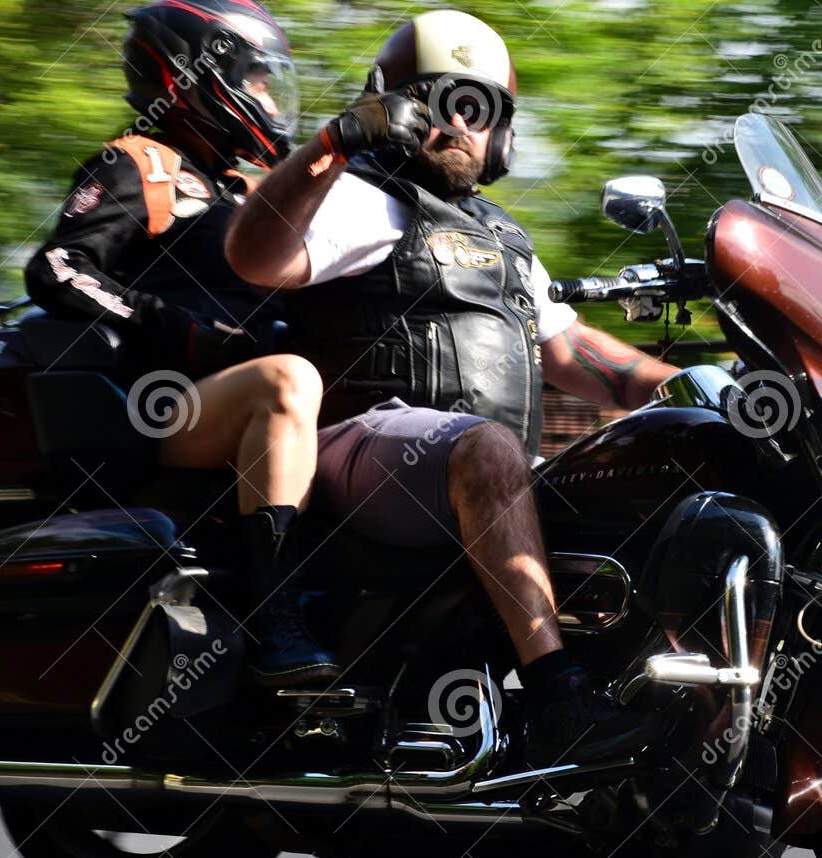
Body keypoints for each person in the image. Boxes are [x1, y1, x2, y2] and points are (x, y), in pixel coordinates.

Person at [226, 9, 679, 766]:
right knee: (489, 449)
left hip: (466, 465)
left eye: (477, 109)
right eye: (435, 104)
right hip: (361, 447)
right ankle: (559, 695)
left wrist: (701, 386)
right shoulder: (360, 199)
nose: (455, 127)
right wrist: (337, 141)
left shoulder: (504, 235)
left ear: (500, 129)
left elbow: (572, 353)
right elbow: (254, 257)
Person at [23, 0, 338, 688]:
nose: (265, 94)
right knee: (287, 381)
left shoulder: (241, 187)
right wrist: (171, 326)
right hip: (159, 405)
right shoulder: (144, 164)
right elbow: (57, 267)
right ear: (195, 74)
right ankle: (277, 622)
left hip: (232, 401)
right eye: (253, 77)